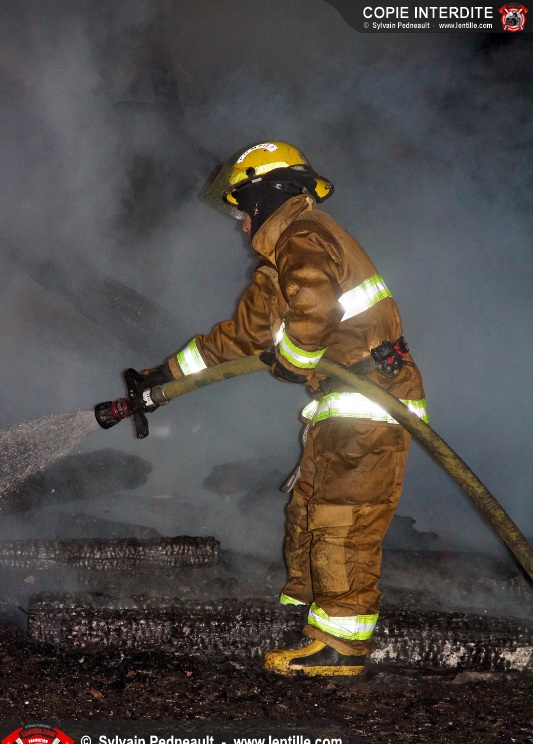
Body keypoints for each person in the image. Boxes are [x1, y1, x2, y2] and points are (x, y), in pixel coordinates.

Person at [140, 141, 427, 676]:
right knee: (307, 513)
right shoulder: (279, 266)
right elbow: (242, 337)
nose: (240, 224)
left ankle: (340, 646)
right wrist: (164, 376)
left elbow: (313, 308)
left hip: (371, 399)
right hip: (341, 405)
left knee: (341, 522)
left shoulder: (305, 235)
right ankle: (304, 613)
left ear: (264, 197)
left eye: (240, 210)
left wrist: (295, 358)